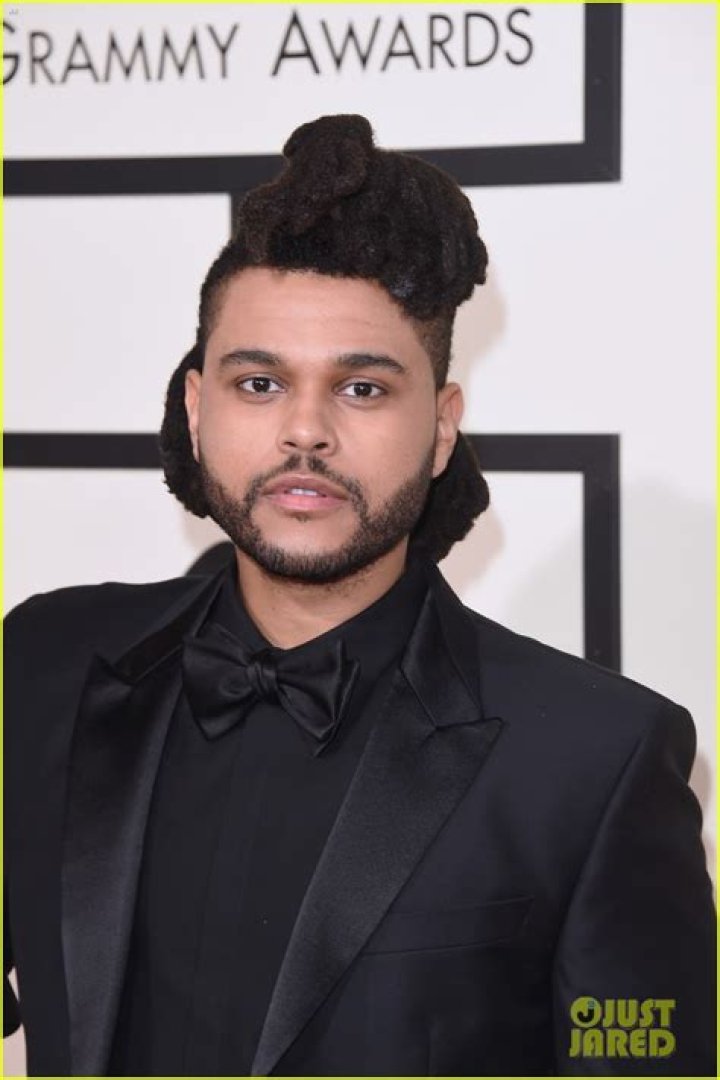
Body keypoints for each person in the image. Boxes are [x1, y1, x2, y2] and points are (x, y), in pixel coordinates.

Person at [4, 114, 714, 1078]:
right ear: (196, 408)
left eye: (364, 390)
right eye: (259, 383)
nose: (305, 431)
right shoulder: (45, 658)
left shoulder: (599, 763)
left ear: (442, 427)